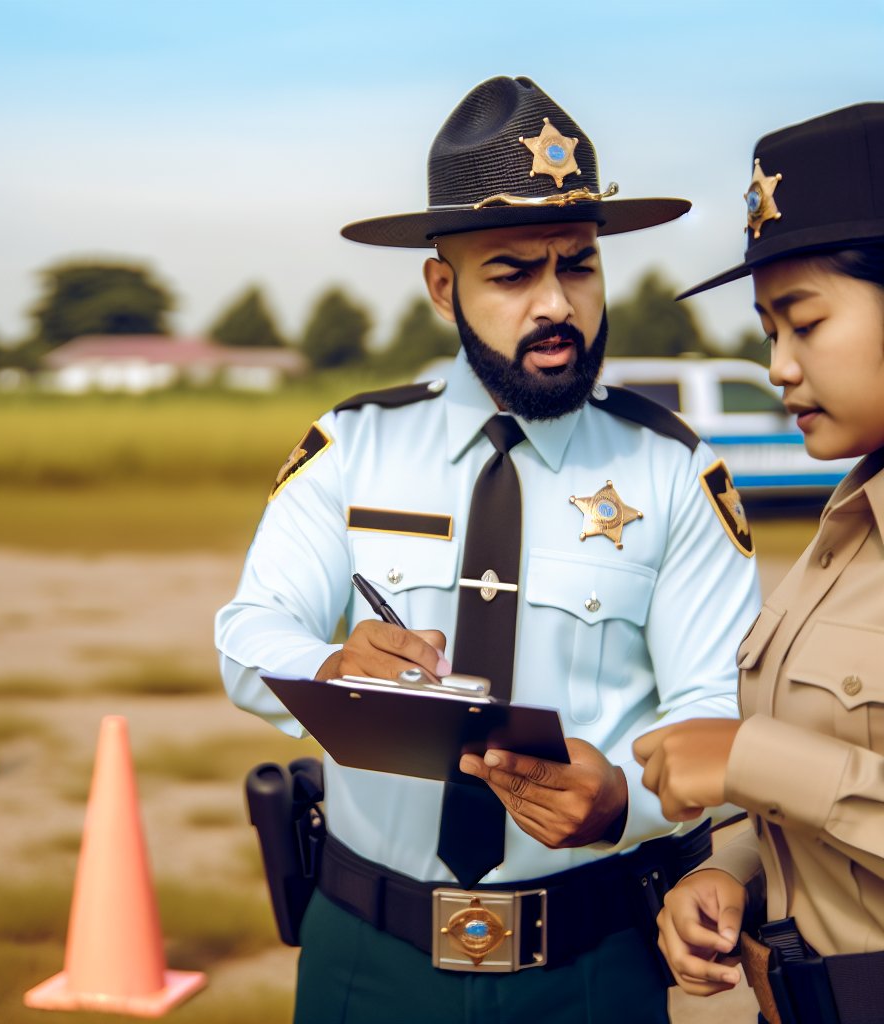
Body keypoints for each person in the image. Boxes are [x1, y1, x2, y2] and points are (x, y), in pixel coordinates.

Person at [216, 76, 761, 1024]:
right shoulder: (353, 446)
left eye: (579, 265)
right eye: (511, 273)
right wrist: (333, 667)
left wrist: (623, 801)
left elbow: (716, 705)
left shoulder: (676, 469)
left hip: (593, 960)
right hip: (366, 952)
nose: (557, 303)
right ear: (444, 286)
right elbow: (249, 634)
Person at [633, 103, 884, 1024]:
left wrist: (749, 758)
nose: (777, 365)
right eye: (767, 329)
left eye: (804, 323)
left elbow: (795, 765)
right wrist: (732, 865)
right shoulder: (850, 516)